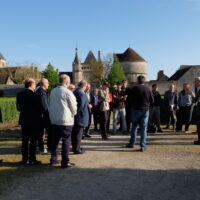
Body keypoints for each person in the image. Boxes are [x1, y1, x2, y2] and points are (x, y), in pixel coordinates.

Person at [49, 74, 77, 168]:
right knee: (66, 141)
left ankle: (53, 159)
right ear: (67, 82)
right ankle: (65, 161)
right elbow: (73, 107)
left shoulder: (52, 91)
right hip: (65, 120)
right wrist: (74, 113)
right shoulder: (68, 92)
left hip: (54, 120)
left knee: (55, 140)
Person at [16, 78, 41, 165]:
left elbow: (18, 108)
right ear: (31, 85)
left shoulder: (19, 94)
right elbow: (40, 108)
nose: (35, 86)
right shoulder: (35, 95)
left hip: (23, 119)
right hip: (33, 120)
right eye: (34, 84)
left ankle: (24, 159)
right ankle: (32, 159)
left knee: (25, 140)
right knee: (33, 140)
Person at [126, 75, 154, 152]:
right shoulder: (148, 89)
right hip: (145, 110)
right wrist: (148, 106)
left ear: (138, 81)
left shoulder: (134, 88)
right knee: (143, 129)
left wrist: (133, 106)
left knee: (134, 128)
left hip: (135, 110)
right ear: (144, 81)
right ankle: (143, 146)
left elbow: (130, 99)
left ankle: (132, 144)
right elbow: (152, 100)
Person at [72, 80, 89, 154]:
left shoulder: (75, 91)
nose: (86, 88)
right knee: (79, 133)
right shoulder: (82, 93)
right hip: (80, 116)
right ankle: (77, 149)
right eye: (86, 86)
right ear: (83, 86)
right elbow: (81, 106)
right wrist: (75, 112)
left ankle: (75, 147)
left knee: (75, 133)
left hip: (76, 116)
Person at [35, 78, 51, 154]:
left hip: (42, 116)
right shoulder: (41, 92)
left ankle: (44, 148)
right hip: (43, 116)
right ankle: (43, 148)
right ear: (43, 84)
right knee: (43, 133)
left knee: (42, 133)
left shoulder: (42, 91)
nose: (48, 84)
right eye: (47, 83)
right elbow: (44, 106)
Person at [194, 77, 200, 145]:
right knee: (198, 126)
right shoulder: (196, 88)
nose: (195, 83)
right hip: (198, 109)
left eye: (196, 81)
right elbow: (196, 98)